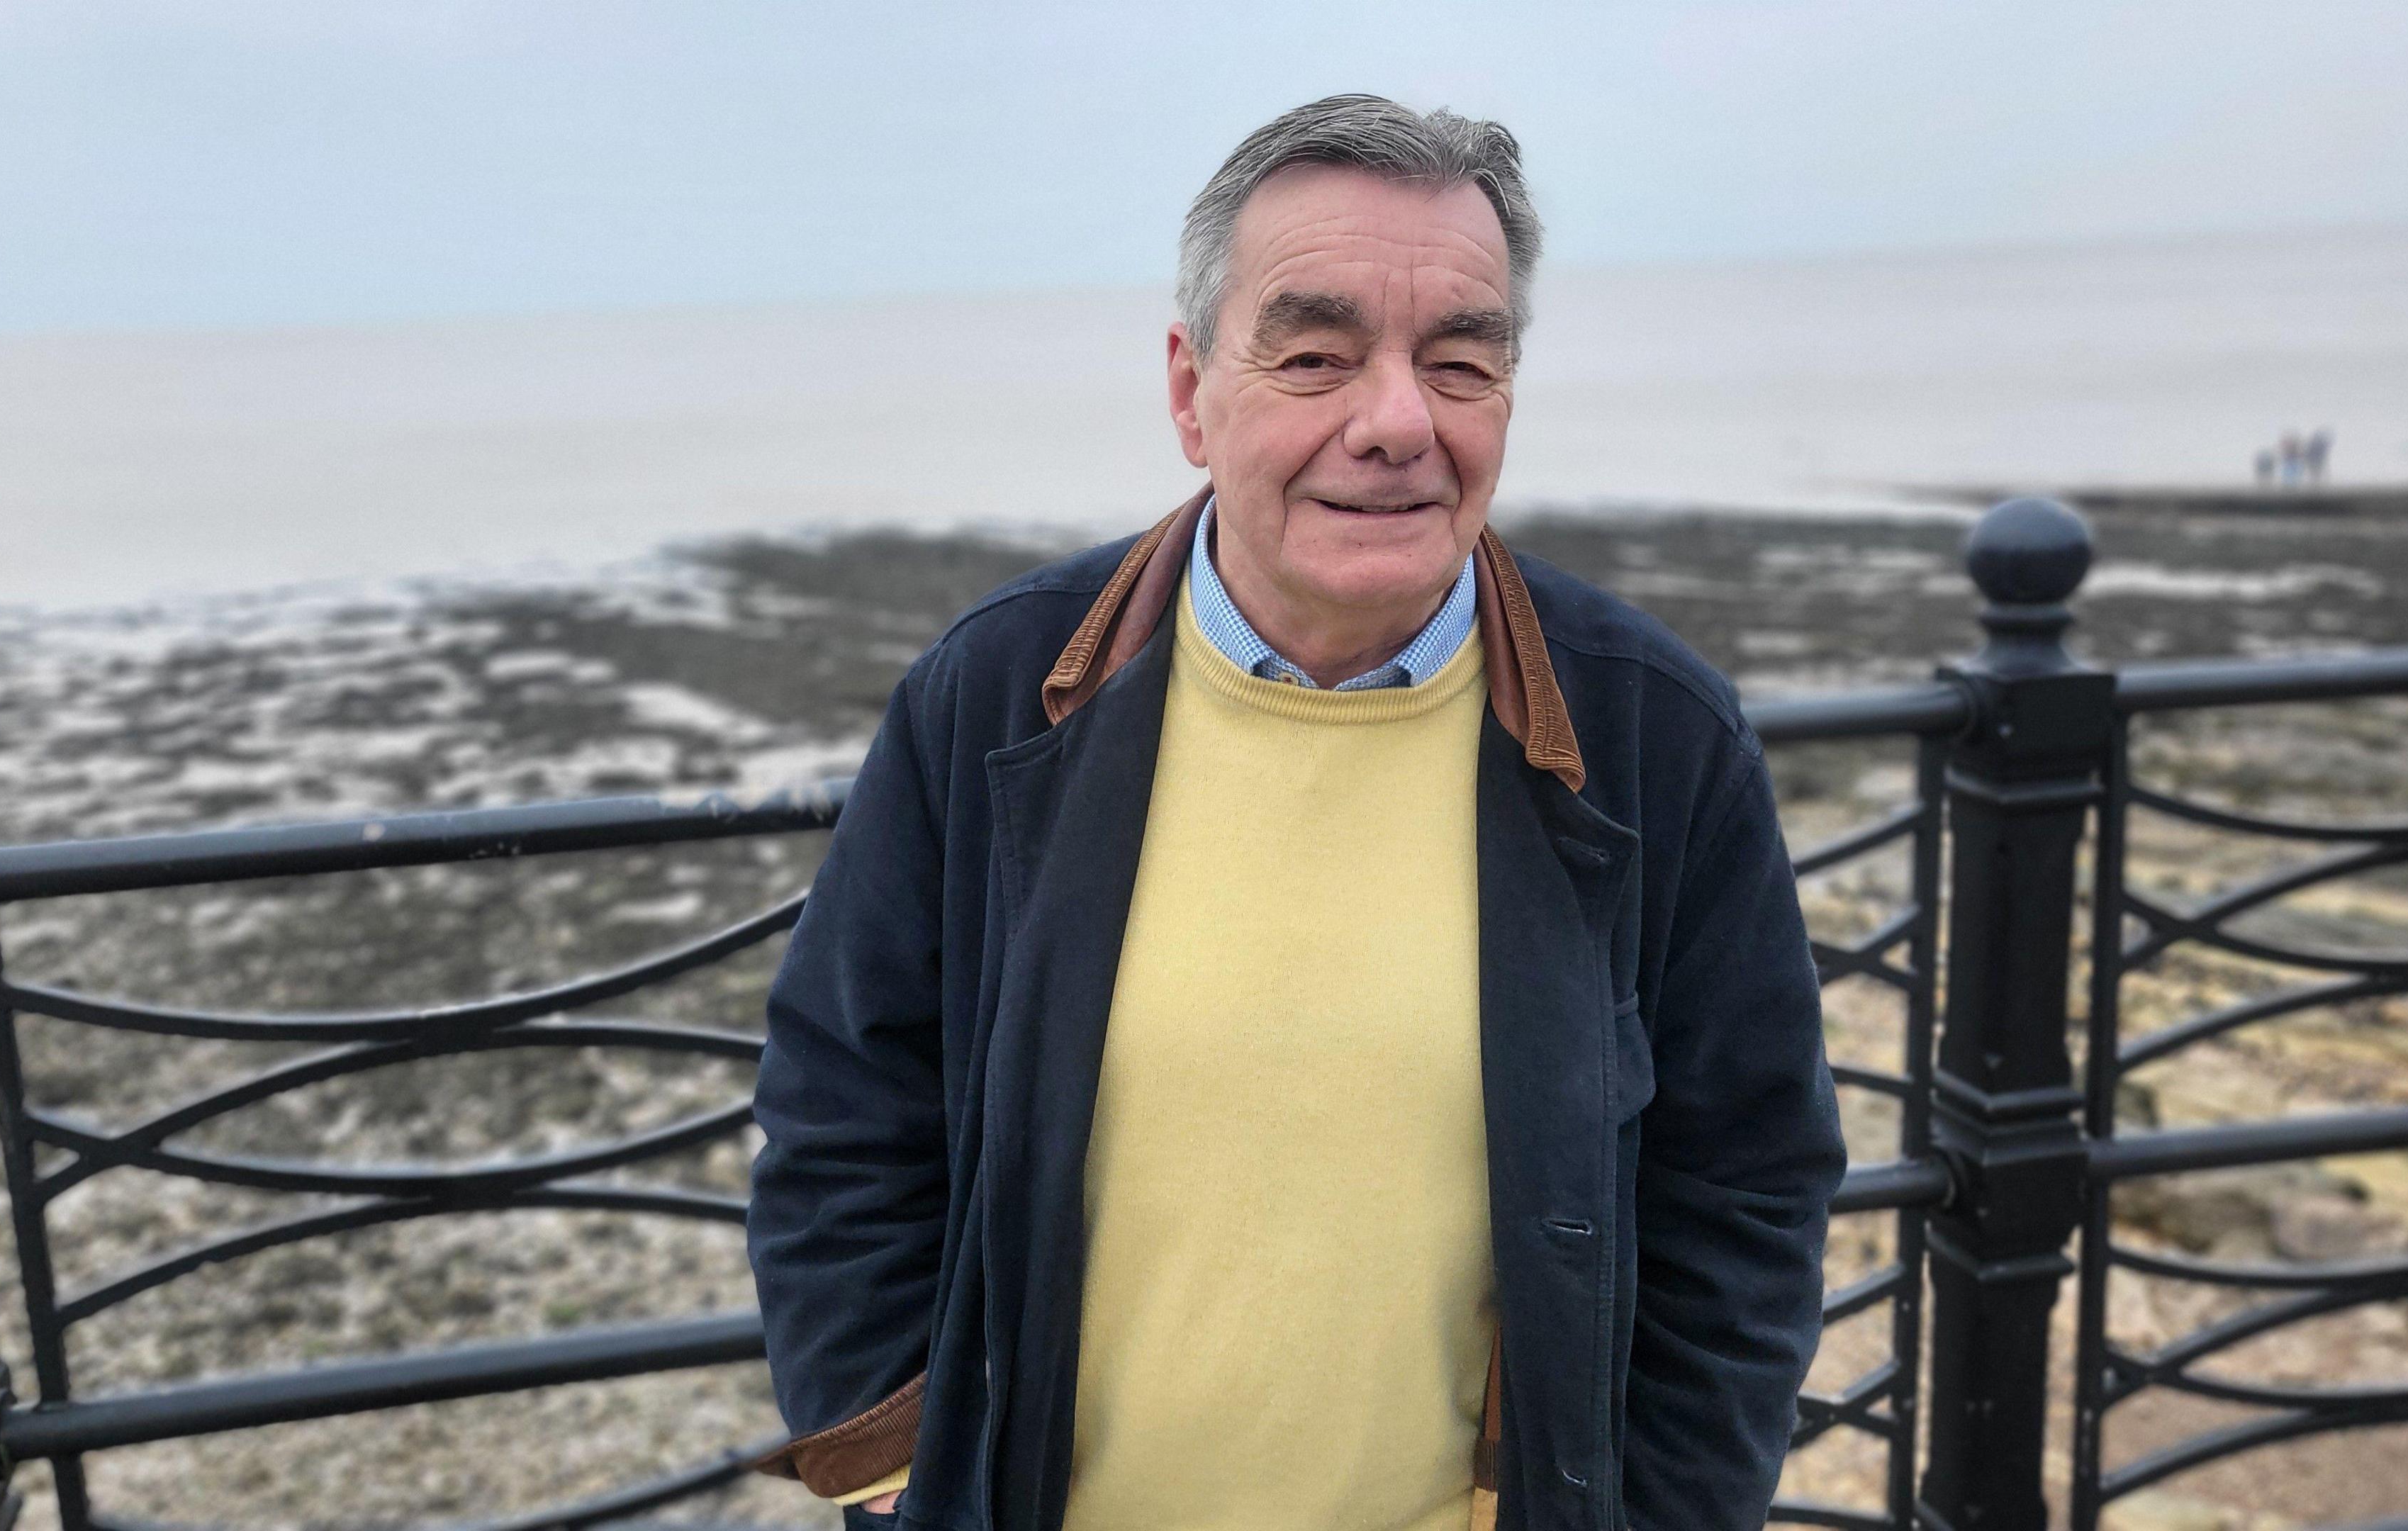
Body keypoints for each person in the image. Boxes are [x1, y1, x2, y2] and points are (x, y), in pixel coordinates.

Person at [745, 94, 1844, 1531]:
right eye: (1317, 355)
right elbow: (843, 1112)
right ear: (1192, 391)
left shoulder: (1656, 738)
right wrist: (900, 1476)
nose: (1396, 423)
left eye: (1460, 361)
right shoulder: (998, 694)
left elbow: (1747, 1190)